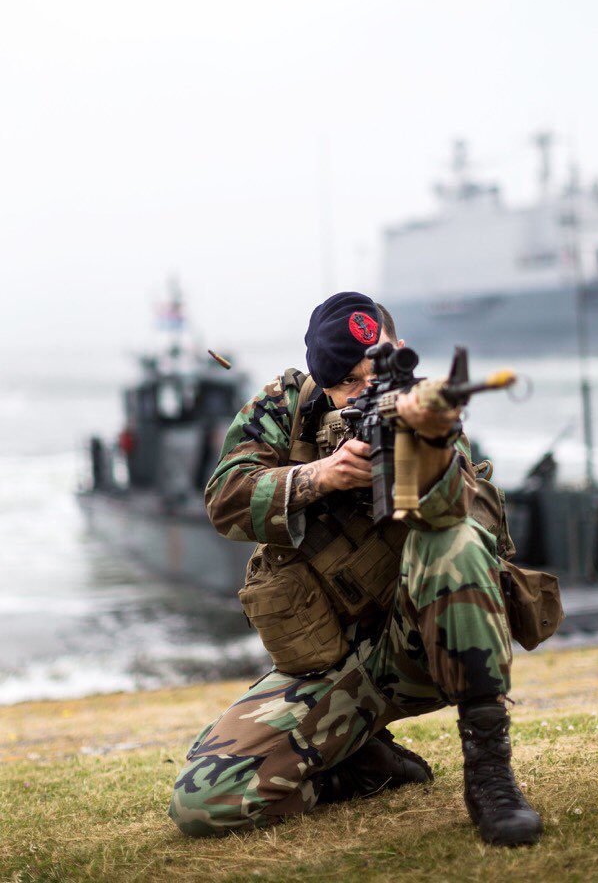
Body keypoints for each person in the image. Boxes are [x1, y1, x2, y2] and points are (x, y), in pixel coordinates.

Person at [168, 292, 543, 847]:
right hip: (331, 667)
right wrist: (322, 476)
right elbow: (224, 499)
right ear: (323, 384)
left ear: (401, 352)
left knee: (456, 539)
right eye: (347, 381)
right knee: (202, 803)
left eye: (379, 370)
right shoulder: (283, 407)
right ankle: (360, 767)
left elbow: (457, 522)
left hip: (423, 651)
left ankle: (490, 775)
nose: (367, 389)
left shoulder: (431, 414)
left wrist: (426, 444)